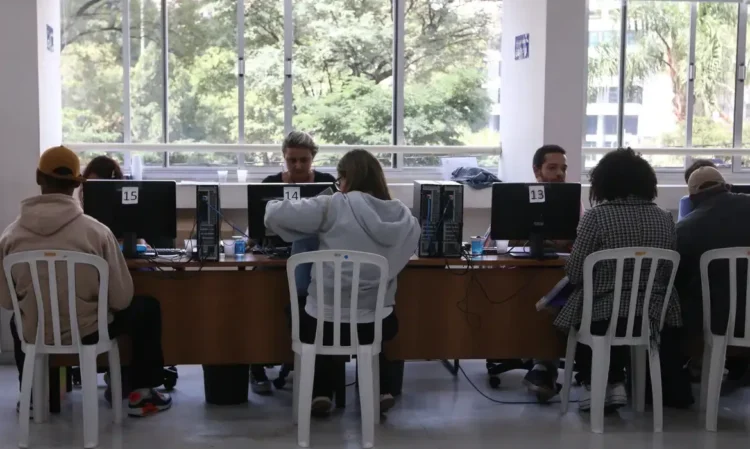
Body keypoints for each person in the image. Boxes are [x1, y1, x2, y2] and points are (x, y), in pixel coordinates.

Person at [0, 146, 171, 417]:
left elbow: (7, 301)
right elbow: (121, 298)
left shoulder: (9, 237)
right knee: (145, 308)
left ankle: (33, 397)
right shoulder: (98, 233)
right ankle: (142, 393)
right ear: (77, 183)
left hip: (37, 331)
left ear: (38, 177)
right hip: (89, 330)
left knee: (18, 320)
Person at [264, 149, 420, 416]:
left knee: (315, 313)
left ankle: (321, 392)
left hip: (323, 323)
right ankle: (378, 388)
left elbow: (274, 215)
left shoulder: (334, 204)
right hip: (378, 324)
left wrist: (327, 198)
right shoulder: (403, 216)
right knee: (361, 320)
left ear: (345, 178)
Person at [554, 148, 682, 412]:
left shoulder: (596, 217)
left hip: (602, 313)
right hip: (652, 314)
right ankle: (615, 382)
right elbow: (668, 272)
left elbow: (576, 272)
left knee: (576, 312)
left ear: (604, 182)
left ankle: (595, 383)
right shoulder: (665, 218)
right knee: (622, 314)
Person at [484, 144, 581, 401]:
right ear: (537, 170)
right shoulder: (516, 197)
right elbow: (491, 242)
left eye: (563, 168)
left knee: (550, 301)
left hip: (558, 278)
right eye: (553, 167)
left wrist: (557, 242)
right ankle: (540, 367)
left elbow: (579, 242)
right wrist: (523, 239)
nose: (560, 173)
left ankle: (542, 367)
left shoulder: (572, 202)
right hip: (516, 277)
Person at [250, 131, 336, 394]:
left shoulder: (327, 184)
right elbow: (257, 230)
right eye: (292, 160)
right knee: (259, 297)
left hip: (313, 257)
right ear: (284, 158)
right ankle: (258, 364)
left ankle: (306, 362)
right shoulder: (269, 183)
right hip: (273, 254)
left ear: (313, 159)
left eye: (304, 160)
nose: (298, 166)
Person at [676, 166, 750, 340]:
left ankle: (695, 364)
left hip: (716, 323)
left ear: (692, 199)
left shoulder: (684, 229)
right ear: (728, 187)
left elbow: (678, 281)